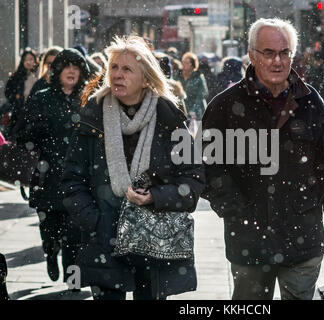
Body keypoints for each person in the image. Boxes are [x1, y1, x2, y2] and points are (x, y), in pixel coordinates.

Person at [202, 18, 324, 300]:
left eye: (284, 53)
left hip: (302, 234)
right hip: (249, 240)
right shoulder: (224, 106)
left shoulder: (309, 101)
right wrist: (234, 208)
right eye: (268, 53)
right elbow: (208, 167)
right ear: (251, 55)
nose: (277, 61)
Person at [62, 36, 205, 300]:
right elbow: (72, 179)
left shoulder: (169, 118)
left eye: (127, 69)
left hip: (153, 240)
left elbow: (193, 180)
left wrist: (156, 197)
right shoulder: (93, 114)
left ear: (146, 77)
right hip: (104, 237)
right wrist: (95, 220)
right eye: (114, 67)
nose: (117, 75)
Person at [14, 48, 89, 286]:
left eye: (76, 68)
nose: (71, 71)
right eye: (67, 67)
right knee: (49, 227)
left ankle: (73, 277)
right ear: (57, 71)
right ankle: (49, 252)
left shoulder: (88, 99)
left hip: (77, 177)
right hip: (47, 175)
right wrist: (37, 134)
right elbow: (22, 133)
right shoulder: (42, 97)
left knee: (75, 233)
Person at [4, 48, 39, 139]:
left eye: (31, 59)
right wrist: (16, 97)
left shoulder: (38, 77)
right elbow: (8, 93)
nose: (28, 62)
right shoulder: (15, 77)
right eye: (26, 59)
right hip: (18, 112)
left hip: (33, 113)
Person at [176, 52, 208, 121]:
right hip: (181, 111)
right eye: (183, 62)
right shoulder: (178, 76)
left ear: (193, 65)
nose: (184, 65)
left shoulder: (198, 77)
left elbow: (201, 96)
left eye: (187, 63)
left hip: (195, 113)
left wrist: (194, 110)